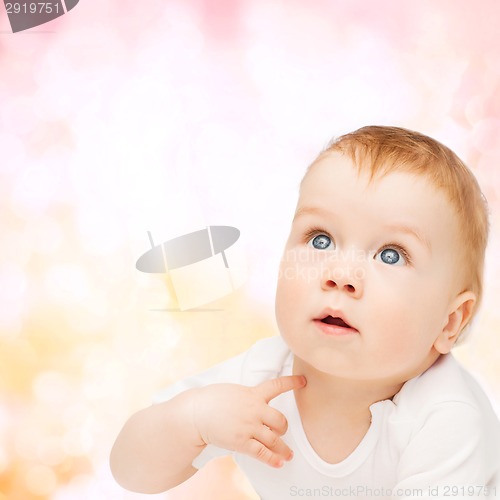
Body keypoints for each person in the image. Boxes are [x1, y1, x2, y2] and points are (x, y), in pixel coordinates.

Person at [110, 126, 500, 499]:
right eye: (321, 239)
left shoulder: (447, 417)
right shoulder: (260, 379)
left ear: (450, 322)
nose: (340, 275)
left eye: (391, 255)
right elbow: (130, 471)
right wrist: (192, 420)